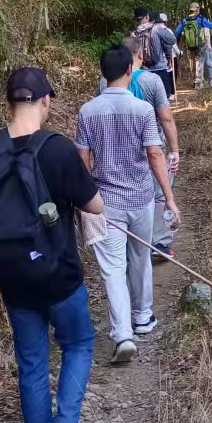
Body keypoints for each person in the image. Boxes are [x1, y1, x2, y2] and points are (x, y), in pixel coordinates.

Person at [0, 67, 103, 423]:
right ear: (46, 101)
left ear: (8, 102)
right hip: (58, 271)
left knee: (32, 364)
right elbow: (94, 205)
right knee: (79, 343)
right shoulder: (57, 149)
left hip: (12, 276)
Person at [76, 46, 180, 363]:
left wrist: (86, 199)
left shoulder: (87, 111)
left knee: (112, 269)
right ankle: (143, 317)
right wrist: (170, 198)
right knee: (140, 257)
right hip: (141, 198)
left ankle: (123, 334)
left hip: (105, 203)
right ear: (128, 71)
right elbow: (154, 154)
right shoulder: (142, 110)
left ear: (105, 74)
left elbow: (83, 160)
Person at [102, 34, 180, 261]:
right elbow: (166, 119)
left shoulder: (104, 81)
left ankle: (129, 240)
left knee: (126, 191)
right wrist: (174, 150)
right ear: (141, 55)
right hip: (151, 144)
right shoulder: (152, 80)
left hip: (117, 146)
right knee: (158, 194)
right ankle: (160, 243)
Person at [175, 2, 212, 89]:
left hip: (190, 45)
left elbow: (177, 32)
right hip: (200, 44)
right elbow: (211, 26)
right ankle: (199, 83)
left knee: (193, 63)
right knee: (199, 62)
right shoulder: (200, 19)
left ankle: (196, 81)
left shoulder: (184, 20)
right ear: (197, 10)